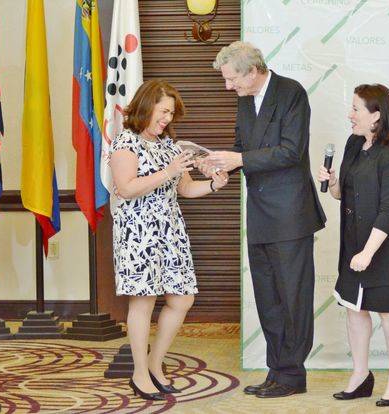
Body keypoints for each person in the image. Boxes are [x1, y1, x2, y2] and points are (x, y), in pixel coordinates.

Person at [205, 41, 326, 398]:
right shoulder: (244, 101)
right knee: (268, 298)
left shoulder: (291, 93)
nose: (229, 87)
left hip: (290, 214)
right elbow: (242, 147)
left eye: (232, 80)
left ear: (253, 70)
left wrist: (238, 160)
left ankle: (293, 374)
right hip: (258, 213)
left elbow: (291, 151)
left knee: (293, 297)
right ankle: (277, 370)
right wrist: (220, 166)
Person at [110, 79, 228, 400]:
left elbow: (186, 189)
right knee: (143, 301)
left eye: (171, 114)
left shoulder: (168, 145)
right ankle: (138, 373)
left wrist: (215, 185)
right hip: (138, 233)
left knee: (182, 299)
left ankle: (154, 363)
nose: (167, 119)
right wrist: (169, 170)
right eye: (163, 112)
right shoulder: (126, 142)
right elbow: (126, 187)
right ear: (147, 106)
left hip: (171, 230)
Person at [317, 84, 389, 407]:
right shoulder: (353, 143)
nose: (350, 115)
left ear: (376, 115)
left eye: (356, 109)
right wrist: (332, 181)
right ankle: (361, 375)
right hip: (355, 243)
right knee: (355, 310)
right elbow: (341, 195)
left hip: (386, 246)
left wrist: (368, 252)